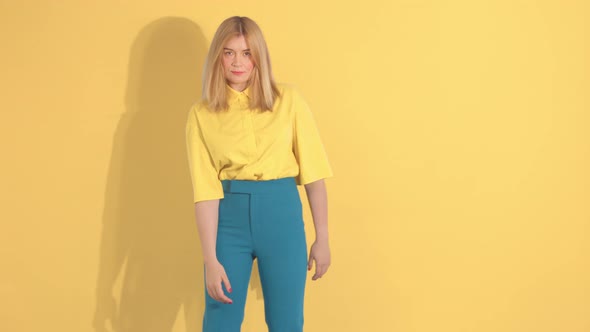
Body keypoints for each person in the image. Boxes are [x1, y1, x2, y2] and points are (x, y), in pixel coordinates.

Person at [185, 16, 333, 332]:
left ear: (259, 57)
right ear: (217, 58)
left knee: (286, 323)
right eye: (229, 52)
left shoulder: (289, 101)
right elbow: (206, 192)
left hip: (282, 217)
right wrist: (210, 259)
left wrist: (323, 237)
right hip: (228, 222)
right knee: (219, 322)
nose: (238, 62)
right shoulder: (201, 115)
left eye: (247, 53)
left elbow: (314, 175)